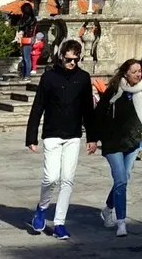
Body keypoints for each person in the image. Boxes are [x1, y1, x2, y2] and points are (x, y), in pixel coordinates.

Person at [26, 39, 99, 240]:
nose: (72, 63)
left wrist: (92, 137)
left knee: (67, 179)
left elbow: (88, 109)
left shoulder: (83, 77)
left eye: (76, 59)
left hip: (73, 135)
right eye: (69, 59)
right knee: (51, 177)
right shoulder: (49, 77)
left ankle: (59, 223)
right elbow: (38, 105)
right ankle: (42, 208)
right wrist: (31, 136)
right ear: (61, 57)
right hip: (52, 133)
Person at [98, 58, 142, 237]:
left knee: (124, 178)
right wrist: (96, 136)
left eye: (140, 71)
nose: (138, 74)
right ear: (125, 73)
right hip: (113, 142)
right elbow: (99, 112)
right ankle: (121, 222)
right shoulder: (114, 90)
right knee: (121, 180)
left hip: (133, 141)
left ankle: (107, 209)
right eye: (134, 71)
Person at [18, 3, 38, 77]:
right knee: (25, 58)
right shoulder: (33, 18)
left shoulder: (28, 19)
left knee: (26, 58)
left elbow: (21, 26)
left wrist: (22, 19)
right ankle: (25, 74)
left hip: (27, 39)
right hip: (29, 39)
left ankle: (27, 75)